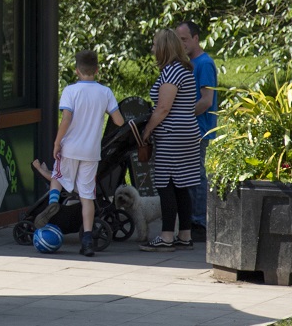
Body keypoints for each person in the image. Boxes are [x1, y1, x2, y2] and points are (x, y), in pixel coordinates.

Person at [35, 50, 126, 256]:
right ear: (97, 70)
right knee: (87, 196)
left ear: (77, 70)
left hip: (71, 148)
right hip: (91, 152)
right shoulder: (106, 92)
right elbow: (119, 121)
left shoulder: (70, 91)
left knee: (58, 176)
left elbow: (66, 119)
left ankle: (53, 203)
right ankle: (87, 240)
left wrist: (57, 143)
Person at [138, 29, 200, 251]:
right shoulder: (183, 69)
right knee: (181, 185)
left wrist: (146, 132)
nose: (153, 49)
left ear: (164, 48)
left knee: (166, 185)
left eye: (155, 45)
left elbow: (163, 108)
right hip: (187, 132)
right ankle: (184, 236)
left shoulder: (171, 72)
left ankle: (166, 237)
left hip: (173, 135)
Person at [176, 20, 218, 236]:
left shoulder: (204, 64)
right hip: (190, 128)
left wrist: (181, 115)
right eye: (178, 40)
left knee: (198, 176)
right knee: (190, 176)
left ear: (195, 38)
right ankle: (192, 220)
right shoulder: (189, 63)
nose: (181, 44)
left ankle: (200, 222)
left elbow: (206, 100)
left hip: (200, 130)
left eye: (184, 39)